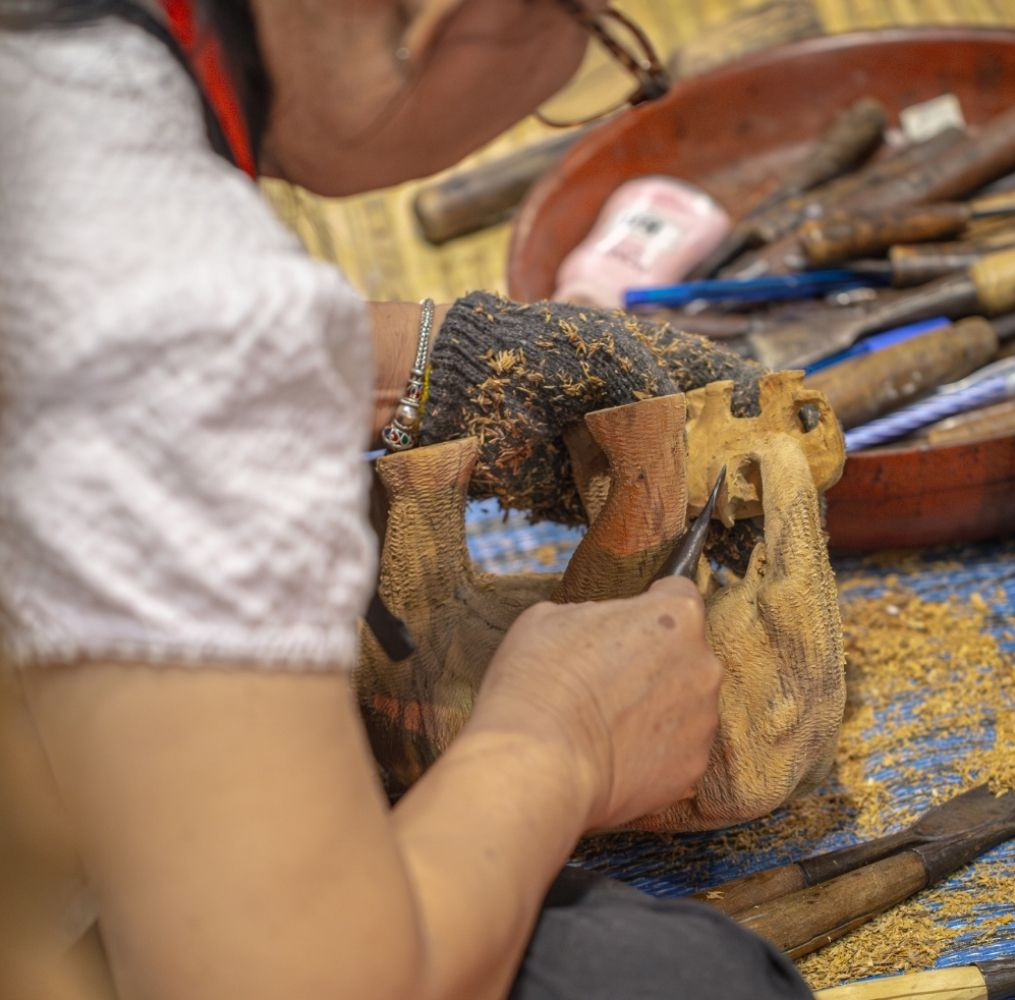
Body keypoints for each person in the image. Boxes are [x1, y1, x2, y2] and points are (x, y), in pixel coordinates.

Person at [0, 1, 813, 997]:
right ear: (447, 21)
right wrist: (559, 741)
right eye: (603, 49)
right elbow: (290, 982)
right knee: (681, 979)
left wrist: (416, 363)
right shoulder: (171, 283)